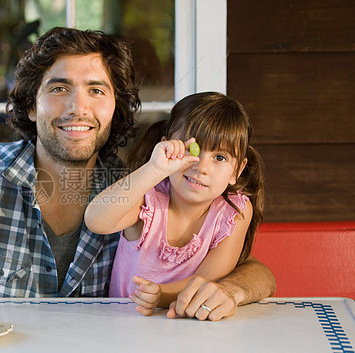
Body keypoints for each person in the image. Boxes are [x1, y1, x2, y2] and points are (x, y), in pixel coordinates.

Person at [0, 28, 275, 320]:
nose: (77, 107)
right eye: (58, 88)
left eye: (96, 90)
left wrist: (231, 291)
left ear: (116, 107)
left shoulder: (143, 189)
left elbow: (251, 269)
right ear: (30, 103)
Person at [85, 92, 268, 320]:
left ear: (237, 171)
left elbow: (209, 277)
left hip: (189, 325)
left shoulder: (235, 212)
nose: (201, 167)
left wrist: (161, 296)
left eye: (220, 157)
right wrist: (155, 169)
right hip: (126, 322)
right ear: (167, 147)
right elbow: (96, 221)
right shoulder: (148, 199)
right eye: (193, 150)